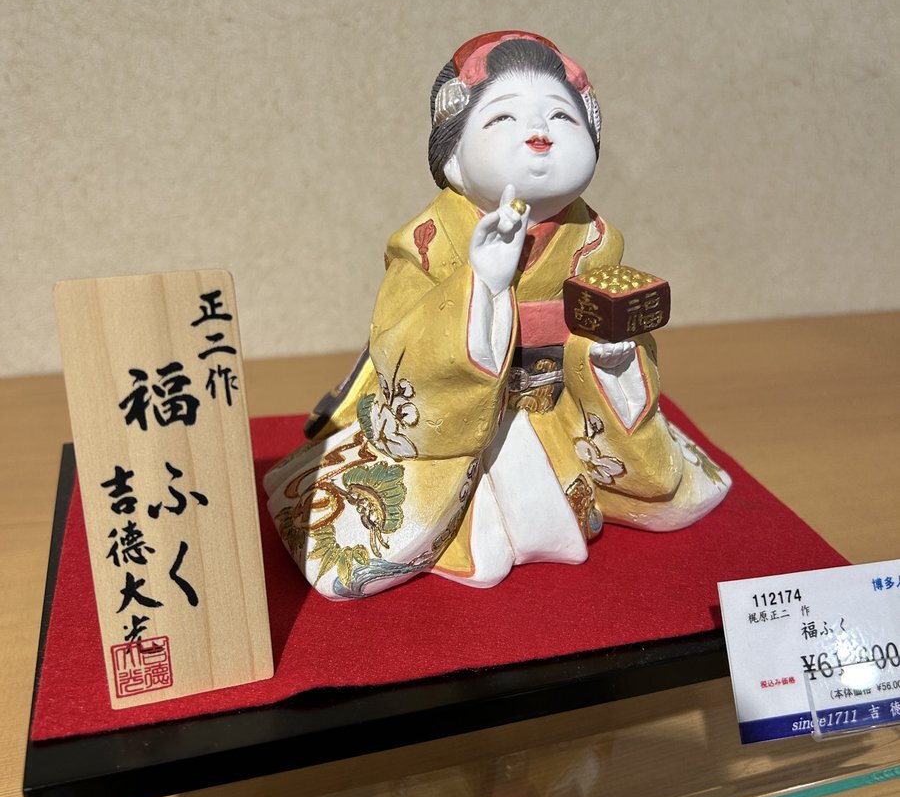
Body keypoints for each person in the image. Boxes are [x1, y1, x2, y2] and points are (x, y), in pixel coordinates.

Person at [265, 32, 730, 599]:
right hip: (461, 428)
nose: (539, 132)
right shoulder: (428, 242)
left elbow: (604, 331)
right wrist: (481, 282)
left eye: (561, 116)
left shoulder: (595, 240)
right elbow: (397, 340)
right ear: (454, 160)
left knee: (666, 493)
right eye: (503, 118)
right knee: (431, 539)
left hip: (560, 408)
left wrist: (611, 355)